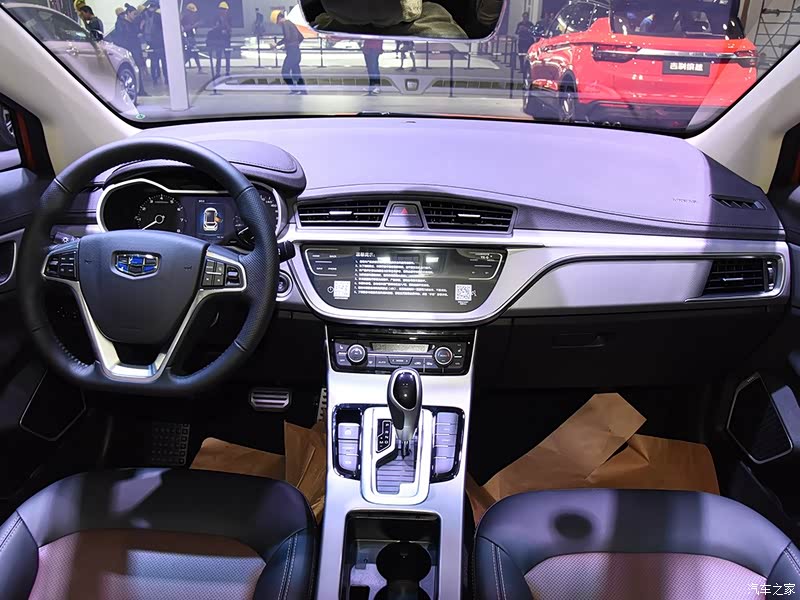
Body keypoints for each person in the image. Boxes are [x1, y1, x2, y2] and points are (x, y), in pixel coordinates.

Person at [115, 3, 148, 96]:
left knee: (138, 69)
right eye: (134, 14)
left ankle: (140, 89)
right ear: (128, 13)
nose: (135, 16)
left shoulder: (131, 24)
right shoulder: (122, 24)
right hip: (129, 50)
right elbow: (122, 38)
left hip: (135, 49)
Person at [275, 11, 307, 94]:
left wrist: (278, 44)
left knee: (285, 72)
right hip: (296, 51)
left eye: (277, 22)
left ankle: (294, 89)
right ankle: (303, 91)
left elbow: (287, 37)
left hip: (292, 52)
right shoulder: (291, 23)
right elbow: (301, 37)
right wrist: (294, 44)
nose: (278, 24)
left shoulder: (285, 24)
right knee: (296, 73)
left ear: (279, 18)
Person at [143, 0, 167, 85]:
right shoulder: (158, 16)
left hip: (151, 42)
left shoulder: (145, 15)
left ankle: (155, 78)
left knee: (154, 61)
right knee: (163, 61)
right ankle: (166, 78)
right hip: (159, 42)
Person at [208, 1, 232, 79]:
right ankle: (217, 72)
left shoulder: (229, 18)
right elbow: (212, 28)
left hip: (226, 40)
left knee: (227, 57)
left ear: (227, 10)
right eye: (221, 9)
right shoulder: (216, 18)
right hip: (218, 40)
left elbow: (230, 29)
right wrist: (217, 27)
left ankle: (227, 71)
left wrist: (225, 23)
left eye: (224, 9)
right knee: (218, 56)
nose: (222, 11)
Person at [181, 2, 203, 72]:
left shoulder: (192, 19)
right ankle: (181, 66)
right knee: (189, 53)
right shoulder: (184, 19)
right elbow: (185, 29)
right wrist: (194, 25)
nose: (193, 14)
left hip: (192, 38)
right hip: (187, 38)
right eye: (191, 13)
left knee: (195, 52)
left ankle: (200, 68)